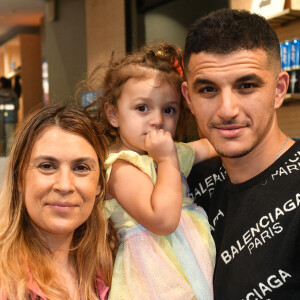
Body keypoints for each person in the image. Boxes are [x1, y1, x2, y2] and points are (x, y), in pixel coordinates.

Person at [182, 8, 300, 300]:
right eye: (208, 89)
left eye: (246, 86)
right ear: (188, 98)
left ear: (279, 90)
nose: (227, 110)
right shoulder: (187, 185)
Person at [87, 43, 216, 300]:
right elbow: (163, 220)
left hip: (190, 272)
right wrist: (168, 161)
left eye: (169, 109)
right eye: (142, 108)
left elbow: (216, 145)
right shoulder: (122, 168)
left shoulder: (171, 152)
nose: (157, 120)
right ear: (113, 113)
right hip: (150, 282)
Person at [0, 104, 116, 300]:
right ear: (20, 178)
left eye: (81, 168)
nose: (64, 185)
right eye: (47, 166)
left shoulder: (111, 268)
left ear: (99, 184)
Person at [0, 76, 19, 155]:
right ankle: (8, 157)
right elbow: (17, 106)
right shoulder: (12, 93)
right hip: (10, 119)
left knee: (2, 138)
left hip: (0, 119)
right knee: (10, 138)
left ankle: (2, 155)